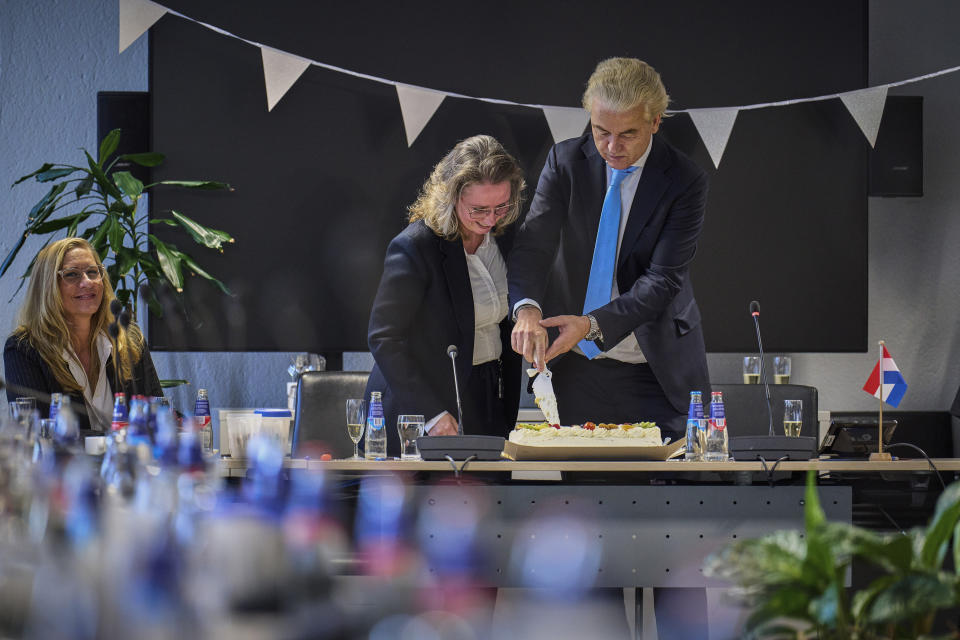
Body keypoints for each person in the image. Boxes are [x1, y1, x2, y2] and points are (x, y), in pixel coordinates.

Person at [507, 58, 711, 639]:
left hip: (660, 373)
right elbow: (531, 249)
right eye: (600, 130)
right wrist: (525, 308)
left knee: (677, 550)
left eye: (626, 133)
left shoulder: (685, 177)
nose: (611, 146)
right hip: (585, 377)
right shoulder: (565, 161)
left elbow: (662, 282)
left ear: (656, 122)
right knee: (591, 539)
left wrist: (592, 324)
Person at [365, 134, 525, 455]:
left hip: (487, 390)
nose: (491, 220)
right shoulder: (416, 247)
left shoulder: (506, 239)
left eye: (501, 207)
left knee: (490, 497)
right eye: (478, 209)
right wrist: (432, 414)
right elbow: (384, 338)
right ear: (451, 197)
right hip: (424, 403)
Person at [4, 237, 163, 431]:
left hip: (127, 460)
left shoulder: (129, 339)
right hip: (69, 462)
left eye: (93, 272)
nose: (87, 282)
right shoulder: (24, 348)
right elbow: (37, 432)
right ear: (47, 286)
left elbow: (158, 413)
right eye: (72, 274)